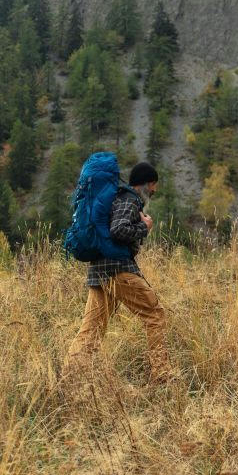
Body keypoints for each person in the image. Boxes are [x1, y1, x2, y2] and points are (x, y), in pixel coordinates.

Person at [63, 162, 172, 386]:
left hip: (99, 272)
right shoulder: (130, 199)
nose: (154, 191)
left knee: (91, 330)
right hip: (118, 271)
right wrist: (145, 228)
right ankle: (162, 376)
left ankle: (68, 380)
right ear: (147, 183)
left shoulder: (117, 199)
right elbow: (118, 229)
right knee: (155, 315)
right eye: (154, 186)